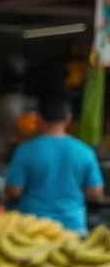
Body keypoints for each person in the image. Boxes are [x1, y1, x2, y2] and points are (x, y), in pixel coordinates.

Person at [6, 96, 103, 233]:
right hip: (73, 228)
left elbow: (14, 191)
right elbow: (95, 193)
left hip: (33, 229)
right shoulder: (85, 151)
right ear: (68, 118)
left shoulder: (25, 150)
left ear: (39, 119)